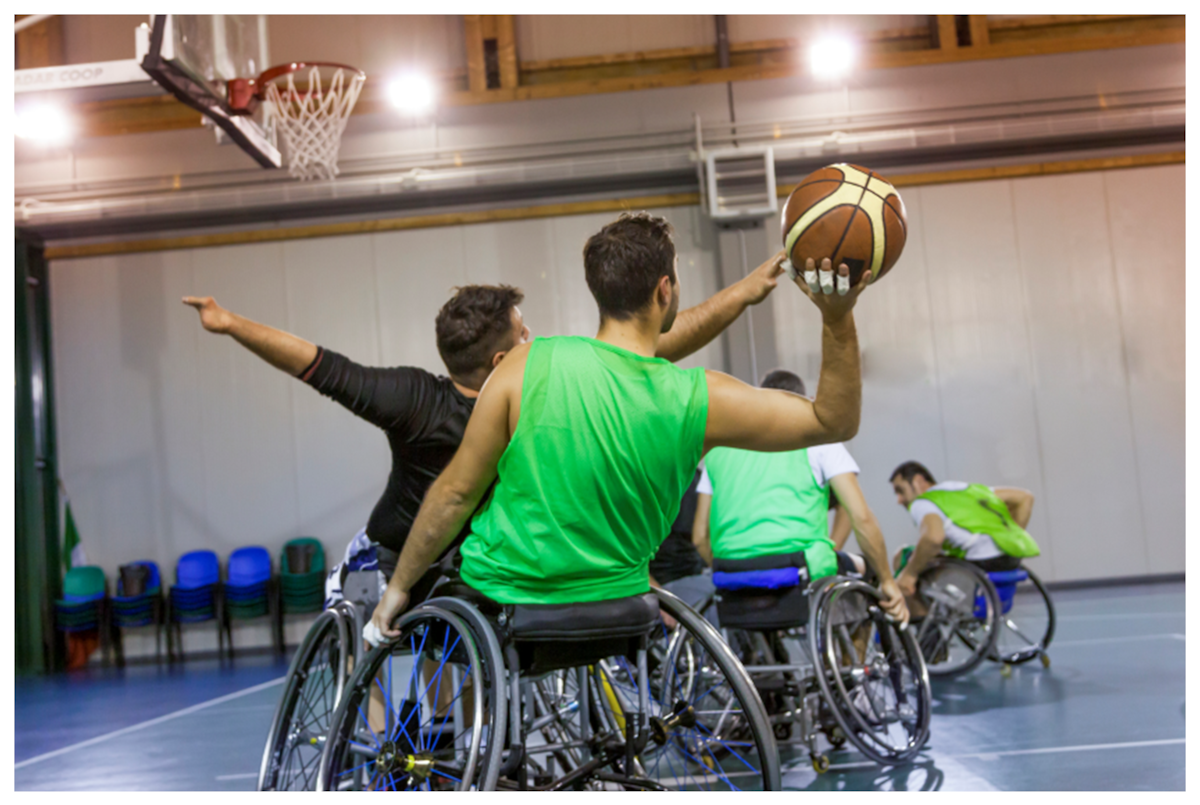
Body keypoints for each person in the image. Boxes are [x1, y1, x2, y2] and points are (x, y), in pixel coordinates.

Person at [367, 211, 871, 645]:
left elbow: (454, 493)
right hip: (620, 604)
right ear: (665, 289)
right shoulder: (699, 398)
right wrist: (837, 317)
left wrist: (397, 590)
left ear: (598, 289)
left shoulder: (525, 365)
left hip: (505, 600)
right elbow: (833, 420)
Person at [182, 249, 786, 603]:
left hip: (482, 559)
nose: (535, 337)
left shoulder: (547, 380)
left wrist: (744, 294)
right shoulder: (418, 400)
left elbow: (657, 347)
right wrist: (232, 324)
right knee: (394, 644)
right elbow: (318, 364)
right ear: (501, 361)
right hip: (402, 551)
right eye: (525, 333)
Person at [692, 369, 908, 624]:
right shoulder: (817, 440)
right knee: (868, 569)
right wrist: (887, 580)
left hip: (731, 573)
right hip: (801, 568)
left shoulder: (719, 451)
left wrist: (732, 564)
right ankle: (856, 659)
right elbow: (861, 517)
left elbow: (699, 537)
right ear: (804, 402)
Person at [888, 460, 1040, 618]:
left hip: (979, 565)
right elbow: (1024, 498)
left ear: (918, 481)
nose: (899, 500)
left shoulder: (922, 503)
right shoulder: (964, 490)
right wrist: (1009, 537)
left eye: (901, 491)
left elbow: (933, 538)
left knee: (904, 557)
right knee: (928, 556)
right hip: (1010, 559)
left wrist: (909, 575)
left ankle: (923, 621)